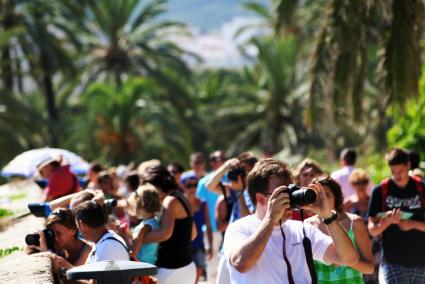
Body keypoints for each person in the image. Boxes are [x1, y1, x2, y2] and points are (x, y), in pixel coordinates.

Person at [223, 158, 359, 284]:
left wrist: (327, 215)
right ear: (260, 199)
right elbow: (241, 264)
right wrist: (271, 220)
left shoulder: (302, 229)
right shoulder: (239, 228)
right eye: (283, 194)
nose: (290, 199)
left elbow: (349, 259)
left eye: (292, 192)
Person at [368, 148, 425, 283]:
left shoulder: (421, 188)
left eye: (400, 171)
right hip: (391, 260)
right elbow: (372, 229)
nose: (397, 176)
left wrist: (411, 224)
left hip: (420, 260)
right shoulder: (380, 190)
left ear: (408, 166)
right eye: (393, 172)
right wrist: (387, 221)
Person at [306, 176, 374, 283]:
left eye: (326, 195)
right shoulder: (307, 225)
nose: (321, 199)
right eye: (316, 195)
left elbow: (370, 268)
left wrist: (344, 259)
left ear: (336, 198)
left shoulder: (354, 222)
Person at [141, 164, 197, 284]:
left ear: (156, 185)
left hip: (171, 270)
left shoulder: (170, 201)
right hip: (188, 268)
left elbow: (165, 234)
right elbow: (193, 234)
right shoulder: (182, 197)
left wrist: (138, 238)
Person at [27, 208, 92, 267]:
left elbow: (76, 275)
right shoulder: (61, 249)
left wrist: (47, 254)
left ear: (73, 231)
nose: (55, 238)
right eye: (51, 233)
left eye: (58, 233)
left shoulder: (89, 250)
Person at [183, 176, 213, 283]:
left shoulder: (203, 204)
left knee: (198, 270)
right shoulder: (179, 203)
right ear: (184, 187)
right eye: (189, 185)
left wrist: (210, 246)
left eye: (195, 185)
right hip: (183, 245)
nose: (192, 188)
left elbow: (208, 226)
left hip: (199, 244)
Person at [128, 184, 161, 265]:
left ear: (142, 205)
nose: (134, 208)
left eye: (135, 205)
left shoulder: (145, 228)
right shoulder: (154, 222)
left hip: (142, 269)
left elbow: (133, 254)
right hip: (150, 266)